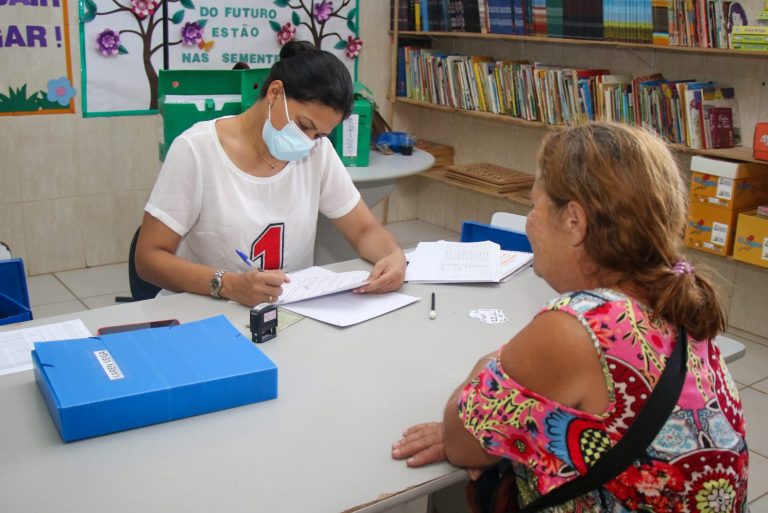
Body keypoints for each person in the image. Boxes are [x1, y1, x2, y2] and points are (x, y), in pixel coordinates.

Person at [392, 123, 748, 512]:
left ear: (574, 221)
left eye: (534, 204)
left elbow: (462, 444)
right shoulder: (674, 297)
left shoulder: (577, 328)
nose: (529, 220)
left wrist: (489, 367)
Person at [136, 41, 406, 306]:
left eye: (319, 134)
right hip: (205, 309)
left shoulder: (317, 152)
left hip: (284, 313)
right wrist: (229, 285)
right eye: (303, 125)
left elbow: (364, 230)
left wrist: (392, 255)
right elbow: (149, 259)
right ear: (275, 93)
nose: (307, 141)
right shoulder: (196, 149)